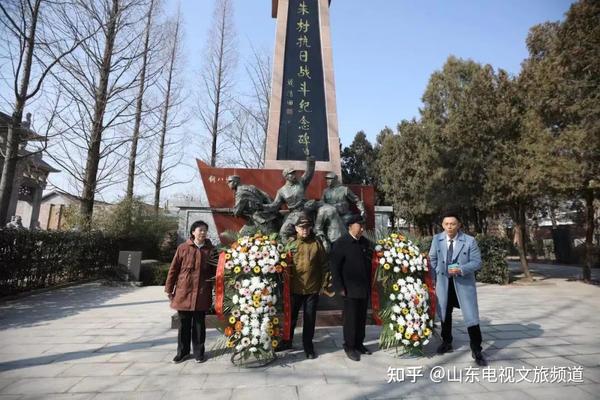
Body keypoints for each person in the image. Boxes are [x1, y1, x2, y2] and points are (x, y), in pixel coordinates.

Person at [428, 211, 488, 366]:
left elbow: (476, 262)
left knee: (471, 317)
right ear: (442, 225)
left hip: (463, 284)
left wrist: (461, 269)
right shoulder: (437, 239)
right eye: (446, 224)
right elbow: (432, 259)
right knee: (445, 315)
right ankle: (446, 342)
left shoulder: (469, 241)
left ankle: (477, 349)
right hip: (444, 284)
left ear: (459, 225)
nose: (449, 227)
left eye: (453, 224)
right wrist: (438, 274)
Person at [165, 220, 217, 363]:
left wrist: (217, 290)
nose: (203, 232)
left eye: (205, 230)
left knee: (199, 325)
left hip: (201, 293)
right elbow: (174, 269)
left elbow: (216, 272)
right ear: (193, 232)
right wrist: (169, 289)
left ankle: (199, 353)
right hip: (184, 293)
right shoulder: (183, 248)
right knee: (184, 325)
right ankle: (182, 352)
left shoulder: (211, 250)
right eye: (200, 230)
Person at [278, 215, 328, 358]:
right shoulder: (290, 244)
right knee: (291, 317)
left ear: (310, 228)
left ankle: (308, 345)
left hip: (312, 288)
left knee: (309, 318)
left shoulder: (316, 244)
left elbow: (324, 265)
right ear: (296, 229)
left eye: (307, 227)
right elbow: (282, 265)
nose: (304, 230)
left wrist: (323, 285)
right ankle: (287, 341)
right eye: (301, 228)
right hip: (294, 288)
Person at [329, 214, 373, 361]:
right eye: (359, 226)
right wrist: (340, 287)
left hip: (363, 287)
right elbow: (334, 268)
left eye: (363, 226)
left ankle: (359, 344)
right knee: (350, 319)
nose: (362, 229)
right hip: (348, 289)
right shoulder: (340, 243)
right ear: (350, 226)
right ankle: (349, 346)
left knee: (361, 318)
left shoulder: (365, 243)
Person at [262, 156, 315, 241]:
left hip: (304, 211)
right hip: (292, 214)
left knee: (305, 230)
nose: (294, 175)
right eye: (291, 173)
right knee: (283, 233)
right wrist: (263, 207)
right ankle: (291, 250)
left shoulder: (301, 182)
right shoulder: (281, 191)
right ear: (286, 176)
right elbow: (275, 205)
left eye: (294, 173)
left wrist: (310, 160)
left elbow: (309, 172)